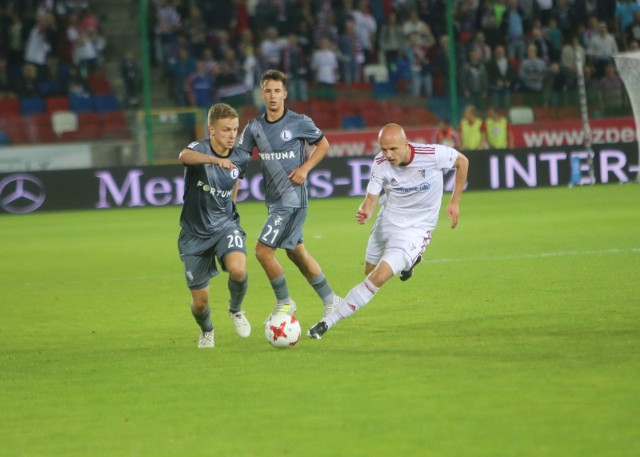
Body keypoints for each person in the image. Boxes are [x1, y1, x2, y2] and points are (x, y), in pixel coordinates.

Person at [307, 123, 469, 339]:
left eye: (393, 149)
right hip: (388, 219)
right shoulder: (380, 163)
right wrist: (365, 210)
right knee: (369, 271)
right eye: (383, 149)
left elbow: (462, 161)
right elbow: (371, 199)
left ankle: (327, 322)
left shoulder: (432, 154)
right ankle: (411, 260)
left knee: (379, 277)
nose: (388, 154)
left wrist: (455, 201)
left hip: (416, 229)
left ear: (406, 143)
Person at [236, 69, 342, 322]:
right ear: (261, 94)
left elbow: (323, 143)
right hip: (274, 201)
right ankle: (331, 300)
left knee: (263, 252)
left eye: (277, 91)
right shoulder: (254, 127)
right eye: (268, 91)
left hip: (292, 200)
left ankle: (285, 303)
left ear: (285, 94)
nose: (273, 96)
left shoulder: (298, 122)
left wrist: (305, 168)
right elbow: (238, 159)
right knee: (296, 252)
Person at [177, 103, 252, 349]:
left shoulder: (241, 155)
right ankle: (207, 330)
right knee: (200, 302)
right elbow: (183, 156)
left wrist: (230, 205)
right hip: (194, 234)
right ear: (211, 129)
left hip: (225, 226)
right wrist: (213, 161)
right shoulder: (199, 150)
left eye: (235, 129)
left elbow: (235, 180)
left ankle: (236, 309)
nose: (232, 135)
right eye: (225, 130)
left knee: (238, 270)